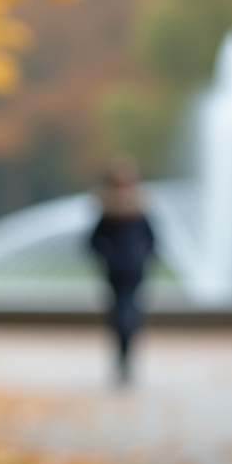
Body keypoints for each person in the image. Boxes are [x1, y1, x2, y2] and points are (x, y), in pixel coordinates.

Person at [88, 158, 155, 385]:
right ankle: (122, 358)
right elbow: (93, 241)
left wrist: (144, 258)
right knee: (120, 314)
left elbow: (152, 240)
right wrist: (107, 258)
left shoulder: (139, 209)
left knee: (128, 313)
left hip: (134, 270)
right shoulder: (108, 211)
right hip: (116, 271)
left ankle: (125, 358)